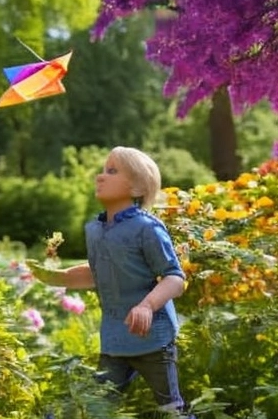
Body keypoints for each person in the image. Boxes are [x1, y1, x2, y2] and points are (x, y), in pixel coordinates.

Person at [28, 146, 194, 418]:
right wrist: (56, 277)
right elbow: (98, 272)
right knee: (97, 404)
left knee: (171, 409)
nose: (100, 176)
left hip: (153, 338)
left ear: (138, 187)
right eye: (104, 170)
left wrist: (147, 306)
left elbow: (175, 278)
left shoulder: (147, 228)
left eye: (112, 171)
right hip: (115, 339)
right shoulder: (94, 230)